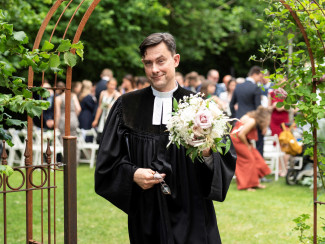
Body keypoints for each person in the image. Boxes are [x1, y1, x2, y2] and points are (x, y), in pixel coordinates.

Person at [95, 32, 236, 244]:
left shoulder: (202, 106)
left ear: (175, 59)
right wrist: (133, 174)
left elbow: (224, 158)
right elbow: (107, 163)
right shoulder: (127, 106)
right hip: (147, 215)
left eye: (161, 61)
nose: (154, 69)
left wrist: (206, 150)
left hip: (193, 212)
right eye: (148, 63)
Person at [230, 106, 271, 191]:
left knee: (256, 157)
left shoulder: (250, 117)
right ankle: (246, 185)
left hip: (239, 139)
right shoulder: (252, 121)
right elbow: (241, 134)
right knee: (249, 160)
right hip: (237, 140)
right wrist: (247, 145)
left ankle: (255, 183)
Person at [230, 65, 264, 156]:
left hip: (239, 120)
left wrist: (235, 117)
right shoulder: (256, 88)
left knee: (241, 145)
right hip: (252, 120)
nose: (260, 79)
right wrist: (261, 124)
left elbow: (231, 104)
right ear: (255, 74)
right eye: (260, 77)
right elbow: (258, 108)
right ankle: (258, 161)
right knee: (259, 142)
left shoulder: (238, 86)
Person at [92, 78, 120, 143]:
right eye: (111, 84)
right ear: (107, 84)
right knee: (101, 137)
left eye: (114, 85)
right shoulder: (103, 93)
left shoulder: (118, 94)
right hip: (103, 117)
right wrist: (96, 120)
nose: (112, 87)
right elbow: (100, 107)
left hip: (112, 117)